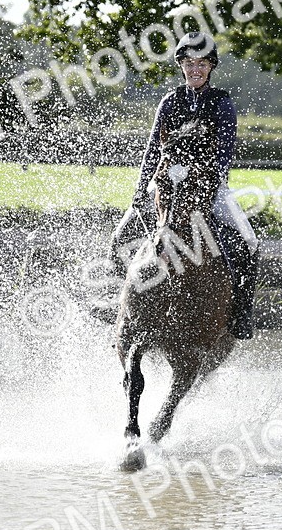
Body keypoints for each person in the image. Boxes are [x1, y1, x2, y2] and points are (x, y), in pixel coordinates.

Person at [111, 31, 259, 339]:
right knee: (119, 237)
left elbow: (223, 153)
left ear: (211, 67)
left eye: (202, 64)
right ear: (181, 65)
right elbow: (152, 150)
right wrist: (139, 194)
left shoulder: (221, 104)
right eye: (189, 63)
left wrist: (209, 183)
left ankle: (241, 315)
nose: (195, 70)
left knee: (249, 243)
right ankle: (121, 306)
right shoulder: (169, 102)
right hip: (166, 185)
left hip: (209, 187)